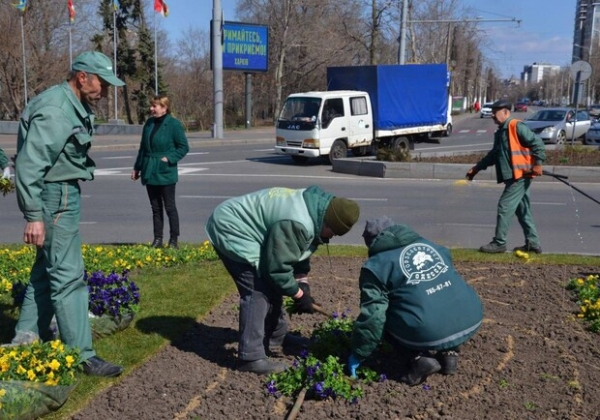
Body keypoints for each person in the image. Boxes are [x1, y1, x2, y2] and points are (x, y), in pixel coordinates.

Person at [13, 51, 125, 377]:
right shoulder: (57, 111)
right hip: (55, 196)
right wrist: (34, 215)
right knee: (68, 277)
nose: (104, 90)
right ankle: (81, 355)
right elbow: (29, 165)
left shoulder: (68, 103)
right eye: (102, 83)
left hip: (61, 192)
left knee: (45, 270)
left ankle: (26, 337)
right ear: (82, 77)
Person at [205, 186, 360, 375]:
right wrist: (299, 296)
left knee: (271, 285)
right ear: (328, 224)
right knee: (258, 290)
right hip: (231, 228)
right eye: (333, 233)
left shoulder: (318, 208)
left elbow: (298, 247)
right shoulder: (297, 222)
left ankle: (276, 336)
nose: (332, 237)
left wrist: (302, 282)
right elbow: (277, 270)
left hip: (250, 227)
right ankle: (250, 358)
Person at [348, 217, 483, 386]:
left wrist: (359, 352)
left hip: (429, 328)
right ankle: (450, 353)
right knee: (439, 296)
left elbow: (374, 317)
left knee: (385, 314)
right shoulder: (430, 245)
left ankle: (419, 359)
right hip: (470, 315)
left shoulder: (376, 266)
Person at [466, 99, 546, 254]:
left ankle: (499, 243)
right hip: (515, 175)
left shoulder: (516, 126)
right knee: (523, 211)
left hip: (520, 176)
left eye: (495, 112)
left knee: (504, 206)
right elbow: (494, 155)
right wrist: (476, 168)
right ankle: (533, 243)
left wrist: (538, 164)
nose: (492, 115)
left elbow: (538, 143)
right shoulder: (502, 130)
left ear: (506, 112)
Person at [131, 95, 189, 249]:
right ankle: (157, 239)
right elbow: (143, 148)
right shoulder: (149, 123)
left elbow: (183, 147)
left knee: (170, 207)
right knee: (155, 208)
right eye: (151, 106)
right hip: (150, 169)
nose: (151, 109)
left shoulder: (174, 124)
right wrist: (137, 167)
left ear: (164, 108)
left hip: (165, 171)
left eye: (154, 106)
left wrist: (169, 158)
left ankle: (173, 240)